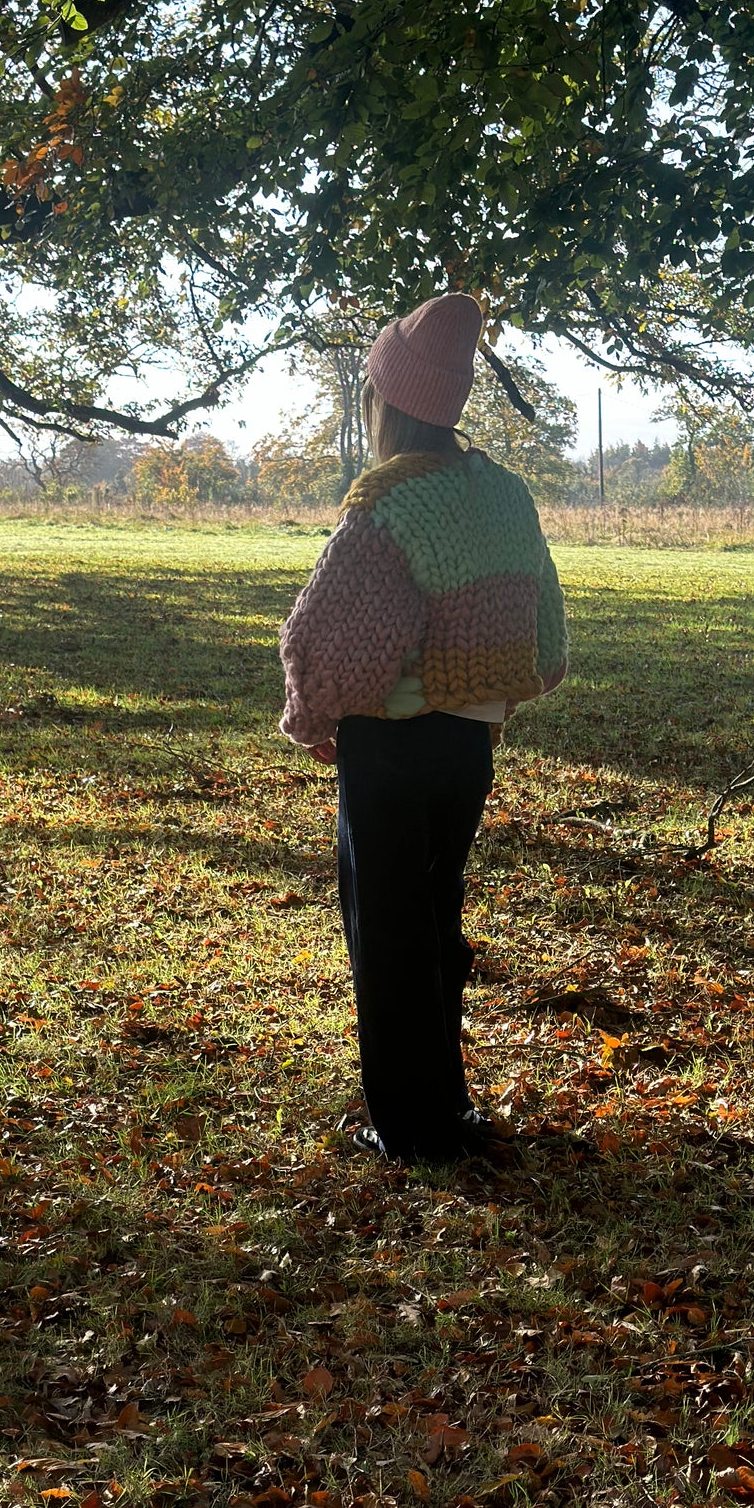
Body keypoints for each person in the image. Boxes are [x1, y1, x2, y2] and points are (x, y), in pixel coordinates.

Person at [279, 292, 567, 1163]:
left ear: (386, 401)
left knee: (389, 931)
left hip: (390, 751)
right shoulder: (503, 495)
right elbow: (543, 627)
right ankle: (446, 1104)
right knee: (437, 919)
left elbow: (327, 634)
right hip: (465, 749)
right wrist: (501, 697)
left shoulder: (387, 504)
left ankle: (407, 1127)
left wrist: (314, 716)